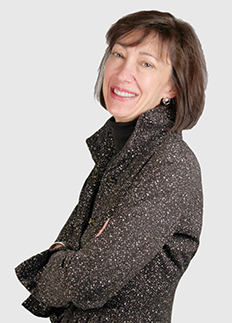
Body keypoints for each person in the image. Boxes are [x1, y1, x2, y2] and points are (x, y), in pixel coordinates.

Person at [15, 10, 207, 323]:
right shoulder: (114, 158)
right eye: (118, 54)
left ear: (171, 87)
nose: (122, 73)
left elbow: (88, 281)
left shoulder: (170, 164)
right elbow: (69, 269)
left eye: (146, 63)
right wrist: (69, 258)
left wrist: (63, 258)